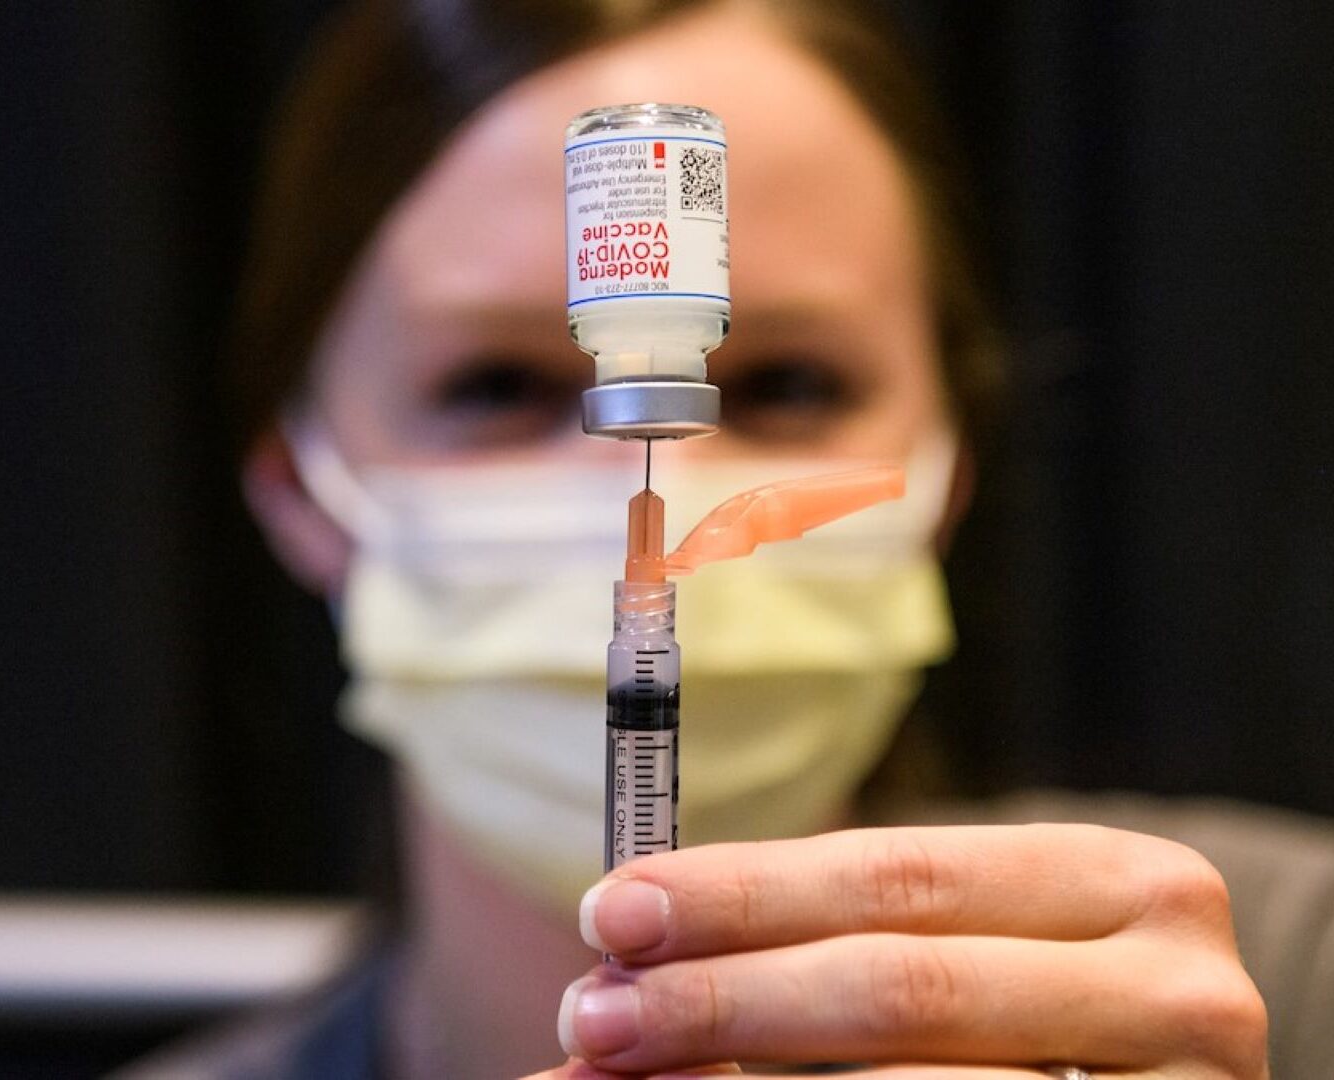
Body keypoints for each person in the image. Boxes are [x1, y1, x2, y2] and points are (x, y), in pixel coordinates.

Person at [135, 0, 1334, 1076]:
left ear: (946, 470)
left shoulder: (1283, 980)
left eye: (788, 384)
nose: (639, 481)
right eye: (495, 384)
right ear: (298, 485)